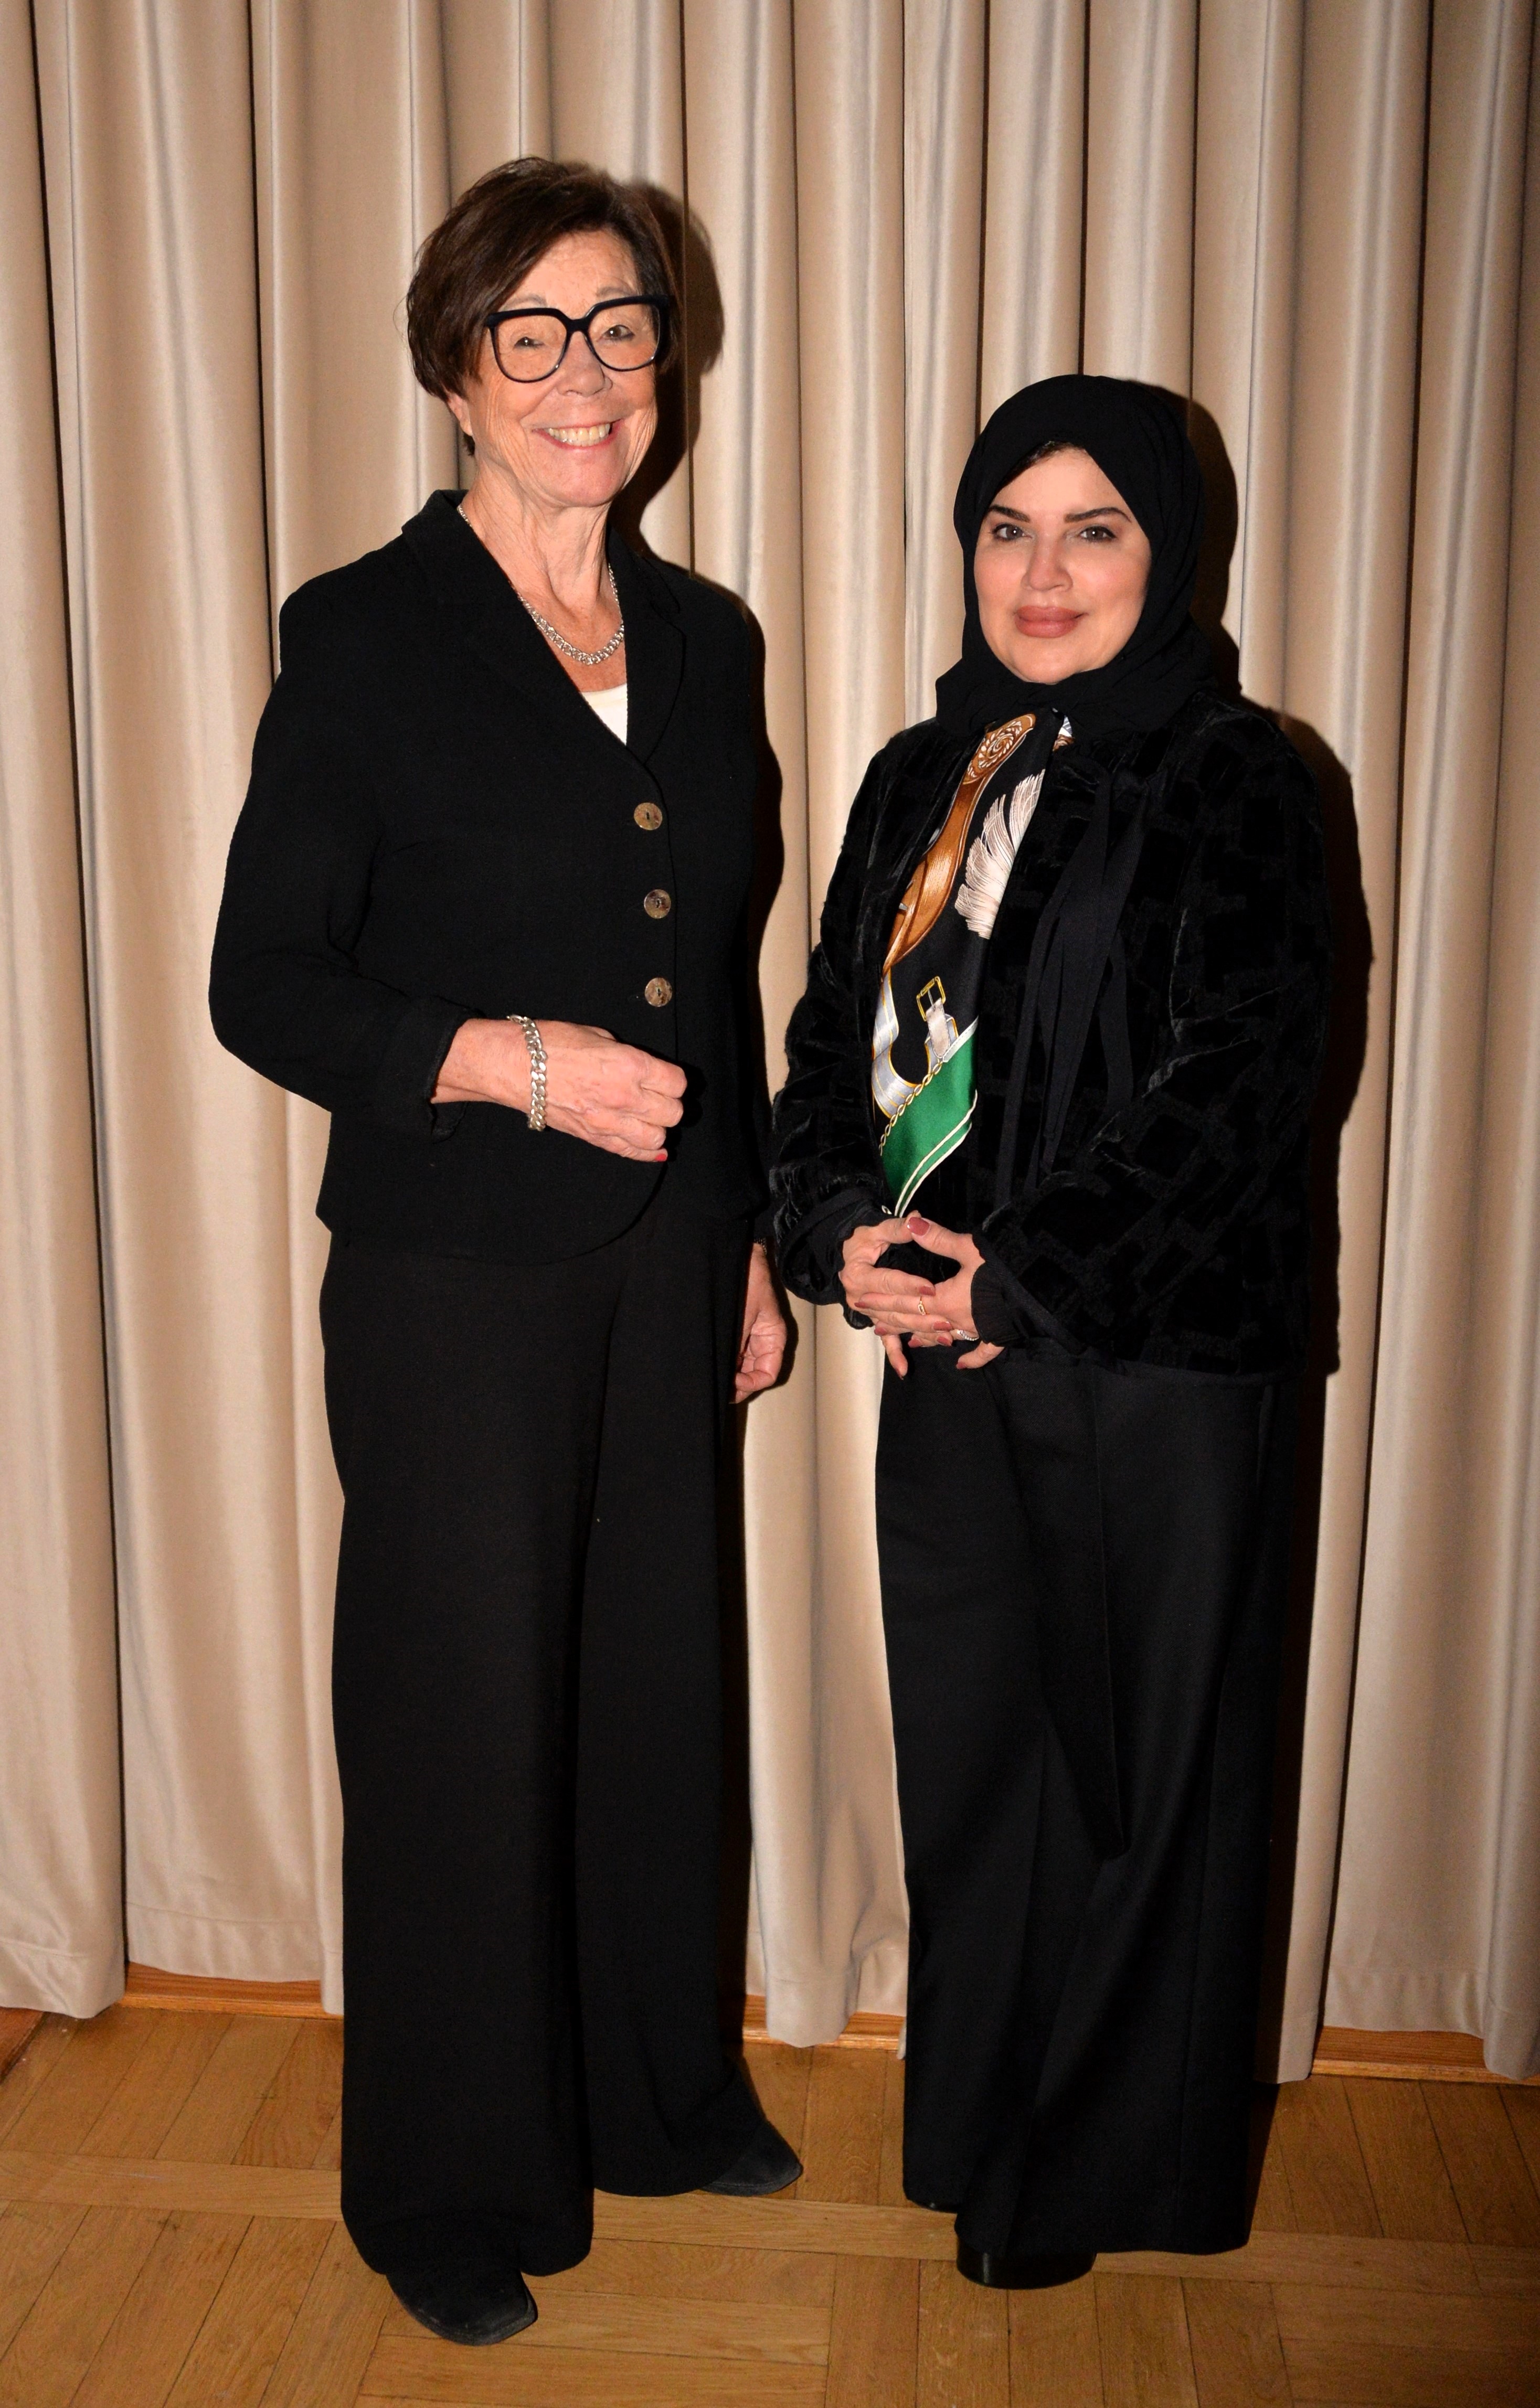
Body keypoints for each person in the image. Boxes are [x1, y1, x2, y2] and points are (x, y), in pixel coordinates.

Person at [210, 157, 796, 2349]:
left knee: (652, 1692)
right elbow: (265, 981)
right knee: (459, 1725)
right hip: (453, 1276)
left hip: (670, 1261)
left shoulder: (710, 638)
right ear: (457, 371)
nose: (583, 375)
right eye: (529, 333)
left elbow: (716, 977)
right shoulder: (364, 633)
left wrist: (748, 1238)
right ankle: (443, 2185)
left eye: (621, 329)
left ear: (666, 363)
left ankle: (654, 2094)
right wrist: (506, 1062)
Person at [770, 376, 1331, 2286]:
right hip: (942, 1357)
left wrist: (1017, 1280)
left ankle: (1102, 2185)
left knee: (1138, 1787)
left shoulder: (1244, 777)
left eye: (1096, 530)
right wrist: (838, 1233)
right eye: (1008, 528)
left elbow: (1241, 1087)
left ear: (1170, 556)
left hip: (1150, 1369)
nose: (1044, 571)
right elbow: (828, 1041)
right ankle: (980, 2129)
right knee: (981, 1771)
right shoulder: (916, 777)